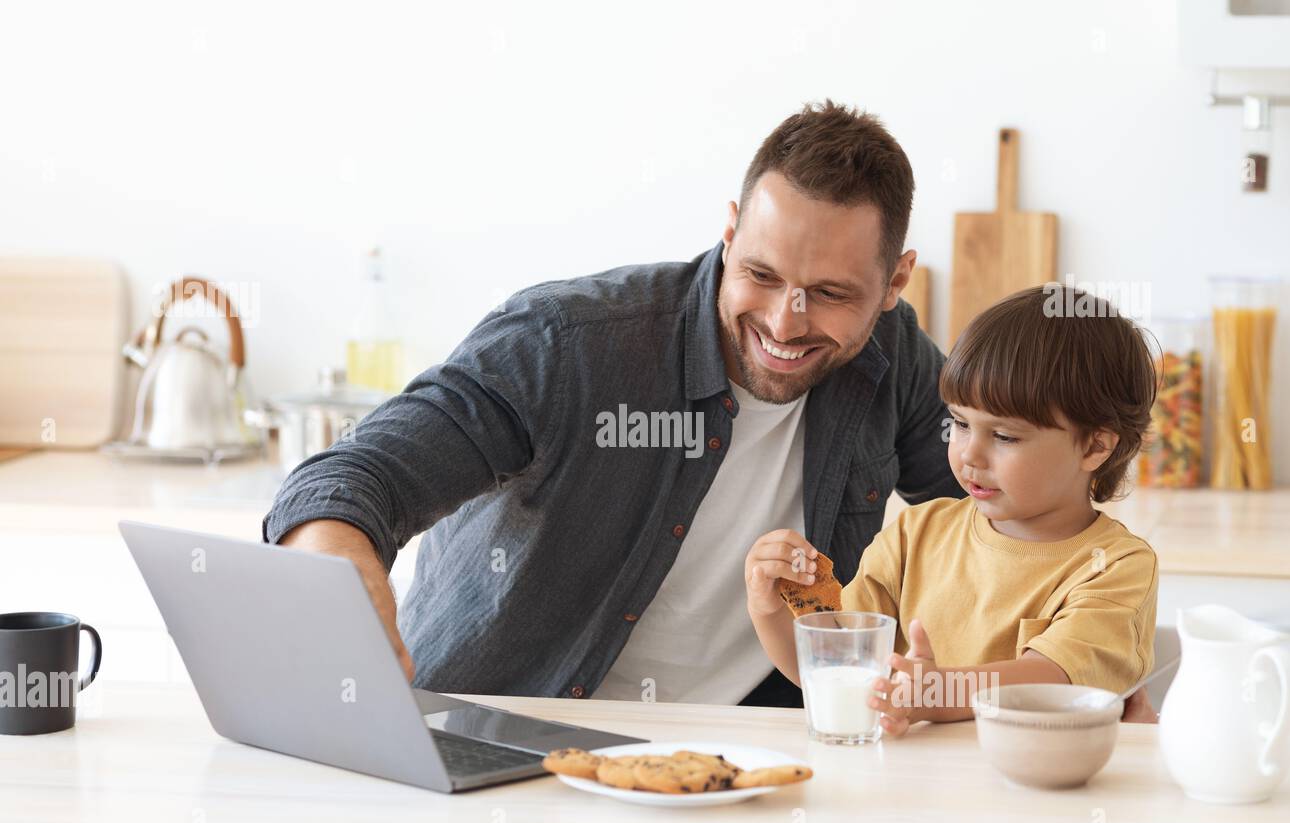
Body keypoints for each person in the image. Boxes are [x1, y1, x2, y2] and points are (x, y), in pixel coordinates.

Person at [261, 99, 963, 706]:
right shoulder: (566, 344)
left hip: (748, 762)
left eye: (833, 294)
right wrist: (343, 578)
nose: (785, 322)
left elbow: (1007, 513)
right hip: (506, 740)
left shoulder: (890, 356)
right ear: (729, 232)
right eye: (759, 274)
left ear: (896, 279)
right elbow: (353, 478)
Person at [745, 286, 1162, 733]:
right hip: (910, 789)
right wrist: (768, 611)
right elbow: (842, 668)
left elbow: (1050, 680)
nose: (970, 455)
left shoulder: (1116, 567)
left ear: (1096, 446)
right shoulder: (914, 534)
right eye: (960, 424)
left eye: (1004, 436)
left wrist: (935, 692)